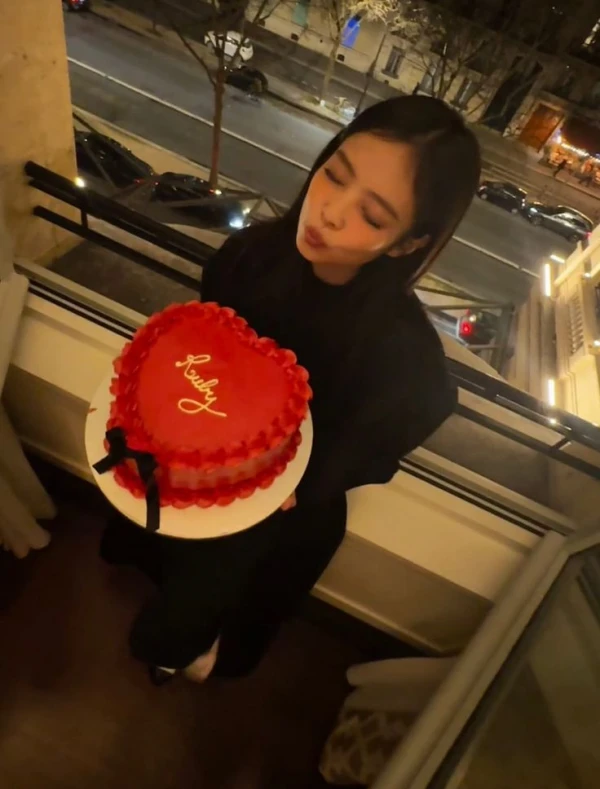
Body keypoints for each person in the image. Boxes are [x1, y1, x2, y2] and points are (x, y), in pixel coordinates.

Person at [101, 95, 481, 684]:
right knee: (164, 545)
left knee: (210, 598)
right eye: (335, 174)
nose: (328, 212)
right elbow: (203, 343)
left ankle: (182, 652)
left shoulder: (400, 357)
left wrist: (305, 478)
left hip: (278, 513)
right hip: (197, 456)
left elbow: (403, 424)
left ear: (407, 243)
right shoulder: (251, 255)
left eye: (372, 215)